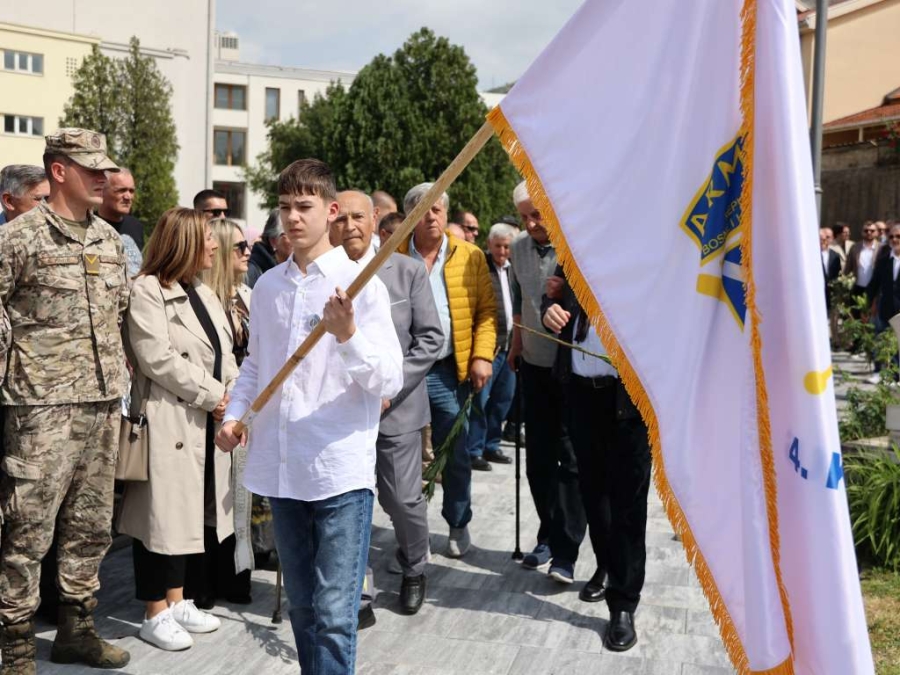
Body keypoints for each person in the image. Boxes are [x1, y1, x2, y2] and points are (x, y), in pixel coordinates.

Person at [216, 159, 403, 674]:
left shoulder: (361, 284)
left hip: (339, 466)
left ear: (331, 210)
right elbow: (257, 364)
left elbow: (389, 378)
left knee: (336, 614)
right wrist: (236, 415)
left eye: (305, 206)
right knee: (302, 609)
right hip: (282, 466)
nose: (293, 218)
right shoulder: (270, 286)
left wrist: (346, 334)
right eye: (284, 208)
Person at [0, 128, 131, 672]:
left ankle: (77, 628)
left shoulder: (107, 239)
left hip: (101, 404)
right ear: (59, 171)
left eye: (105, 170)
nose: (102, 179)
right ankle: (16, 645)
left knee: (91, 525)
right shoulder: (21, 236)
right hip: (41, 410)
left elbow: (119, 312)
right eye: (91, 170)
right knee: (28, 529)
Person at [116, 208, 239, 652]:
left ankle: (179, 598)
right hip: (170, 418)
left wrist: (234, 396)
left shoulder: (203, 292)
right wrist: (216, 396)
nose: (214, 245)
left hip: (206, 419)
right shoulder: (147, 291)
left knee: (191, 511)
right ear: (184, 242)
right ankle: (154, 610)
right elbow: (157, 358)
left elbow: (226, 354)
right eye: (207, 237)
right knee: (160, 517)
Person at [331, 189, 442, 619]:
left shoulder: (407, 271)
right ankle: (359, 589)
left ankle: (414, 567)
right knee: (347, 501)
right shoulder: (325, 272)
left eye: (359, 217)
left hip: (396, 410)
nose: (350, 227)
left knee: (401, 499)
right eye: (342, 219)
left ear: (376, 219)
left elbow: (430, 338)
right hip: (342, 412)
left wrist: (390, 388)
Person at [542, 268, 651, 653]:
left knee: (628, 502)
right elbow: (554, 299)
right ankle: (607, 564)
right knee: (593, 493)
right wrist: (550, 310)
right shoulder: (576, 244)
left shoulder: (645, 257)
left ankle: (622, 604)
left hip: (628, 401)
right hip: (581, 396)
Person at [396, 183, 496, 558]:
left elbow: (487, 312)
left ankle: (457, 521)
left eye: (437, 209)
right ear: (409, 215)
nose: (430, 216)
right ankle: (409, 536)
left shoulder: (469, 257)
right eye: (422, 209)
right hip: (403, 372)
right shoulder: (391, 257)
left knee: (453, 453)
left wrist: (482, 355)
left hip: (446, 370)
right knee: (401, 457)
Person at [507, 181, 586, 584]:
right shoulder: (518, 248)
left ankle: (566, 551)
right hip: (535, 364)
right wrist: (515, 345)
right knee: (538, 459)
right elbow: (519, 303)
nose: (532, 222)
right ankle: (549, 532)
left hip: (572, 368)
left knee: (570, 459)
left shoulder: (578, 243)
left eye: (537, 213)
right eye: (524, 216)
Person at [193, 218, 255, 605]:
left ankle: (237, 574)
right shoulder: (205, 299)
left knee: (240, 497)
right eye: (239, 248)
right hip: (215, 406)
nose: (247, 253)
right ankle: (209, 581)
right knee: (213, 500)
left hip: (245, 401)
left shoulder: (248, 293)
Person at [465, 223, 518, 471]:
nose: (502, 251)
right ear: (489, 245)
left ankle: (492, 444)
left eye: (507, 246)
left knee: (502, 400)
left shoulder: (514, 270)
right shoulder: (481, 268)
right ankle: (474, 449)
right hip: (490, 348)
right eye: (498, 246)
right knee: (480, 401)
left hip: (510, 346)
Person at [866, 223, 900, 384]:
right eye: (892, 236)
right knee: (882, 340)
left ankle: (897, 376)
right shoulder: (884, 259)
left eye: (898, 236)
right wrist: (868, 306)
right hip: (885, 309)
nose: (894, 239)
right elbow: (874, 284)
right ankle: (881, 372)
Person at [98, 167, 145, 249]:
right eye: (121, 190)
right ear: (103, 190)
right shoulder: (88, 226)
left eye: (131, 191)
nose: (128, 197)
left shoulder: (136, 227)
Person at [247, 209, 293, 288]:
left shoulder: (295, 269)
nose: (297, 239)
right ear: (273, 241)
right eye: (290, 233)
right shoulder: (252, 273)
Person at [820, 226, 841, 312]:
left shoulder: (835, 255)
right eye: (822, 239)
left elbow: (837, 273)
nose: (824, 241)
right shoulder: (812, 254)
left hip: (830, 294)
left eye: (827, 238)